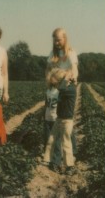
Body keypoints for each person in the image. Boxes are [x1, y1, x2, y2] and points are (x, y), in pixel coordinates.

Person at [46, 27, 79, 157]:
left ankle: (73, 151)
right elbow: (48, 69)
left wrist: (73, 77)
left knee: (66, 121)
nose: (56, 43)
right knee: (55, 120)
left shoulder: (71, 53)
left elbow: (74, 69)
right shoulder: (52, 54)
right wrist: (49, 81)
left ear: (65, 39)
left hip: (65, 89)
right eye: (54, 40)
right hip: (54, 89)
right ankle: (57, 154)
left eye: (59, 40)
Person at [43, 68, 77, 175]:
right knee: (51, 139)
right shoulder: (64, 88)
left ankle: (69, 166)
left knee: (66, 143)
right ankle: (49, 160)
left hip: (67, 121)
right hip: (59, 118)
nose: (56, 85)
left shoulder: (70, 89)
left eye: (58, 83)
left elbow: (60, 89)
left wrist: (65, 78)